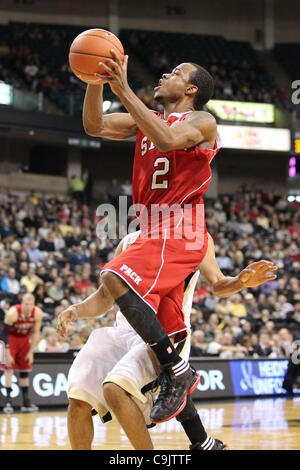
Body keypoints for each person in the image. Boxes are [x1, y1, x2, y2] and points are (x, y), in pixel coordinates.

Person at [82, 52, 221, 422]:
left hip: (181, 223)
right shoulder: (147, 120)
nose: (164, 73)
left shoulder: (201, 120)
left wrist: (123, 87)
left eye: (176, 73)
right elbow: (94, 125)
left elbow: (167, 141)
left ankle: (175, 372)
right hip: (152, 227)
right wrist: (96, 81)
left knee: (115, 278)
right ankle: (198, 432)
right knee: (167, 322)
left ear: (190, 89)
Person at [57, 231, 277, 450]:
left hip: (164, 335)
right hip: (122, 331)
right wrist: (76, 310)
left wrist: (239, 282)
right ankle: (203, 441)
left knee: (115, 389)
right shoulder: (129, 241)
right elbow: (105, 296)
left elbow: (218, 283)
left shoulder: (196, 237)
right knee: (78, 399)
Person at [0, 293, 43, 413]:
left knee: (24, 371)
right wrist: (7, 353)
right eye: (26, 304)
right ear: (21, 303)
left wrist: (31, 351)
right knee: (9, 369)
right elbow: (3, 334)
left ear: (33, 304)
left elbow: (35, 333)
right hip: (10, 339)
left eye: (30, 304)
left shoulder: (37, 313)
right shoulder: (13, 313)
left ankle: (26, 402)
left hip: (24, 340)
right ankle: (8, 402)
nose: (28, 307)